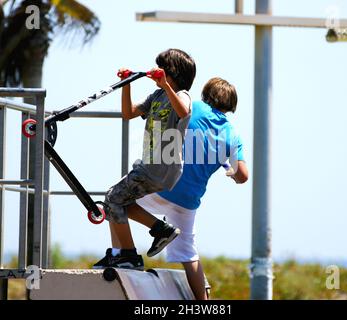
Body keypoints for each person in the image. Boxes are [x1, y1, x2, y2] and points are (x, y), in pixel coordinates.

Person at [100, 77, 249, 300]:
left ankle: (123, 255)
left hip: (161, 184)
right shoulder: (232, 135)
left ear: (206, 94)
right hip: (188, 199)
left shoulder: (195, 107)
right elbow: (242, 176)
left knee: (117, 200)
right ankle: (203, 303)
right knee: (189, 253)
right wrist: (231, 172)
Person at [93, 48, 196, 270]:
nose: (157, 72)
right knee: (120, 202)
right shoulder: (156, 96)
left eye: (162, 69)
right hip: (151, 164)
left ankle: (127, 254)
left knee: (111, 197)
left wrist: (167, 86)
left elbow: (183, 113)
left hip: (163, 165)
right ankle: (160, 230)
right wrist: (126, 84)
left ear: (173, 73)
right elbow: (128, 113)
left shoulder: (182, 95)